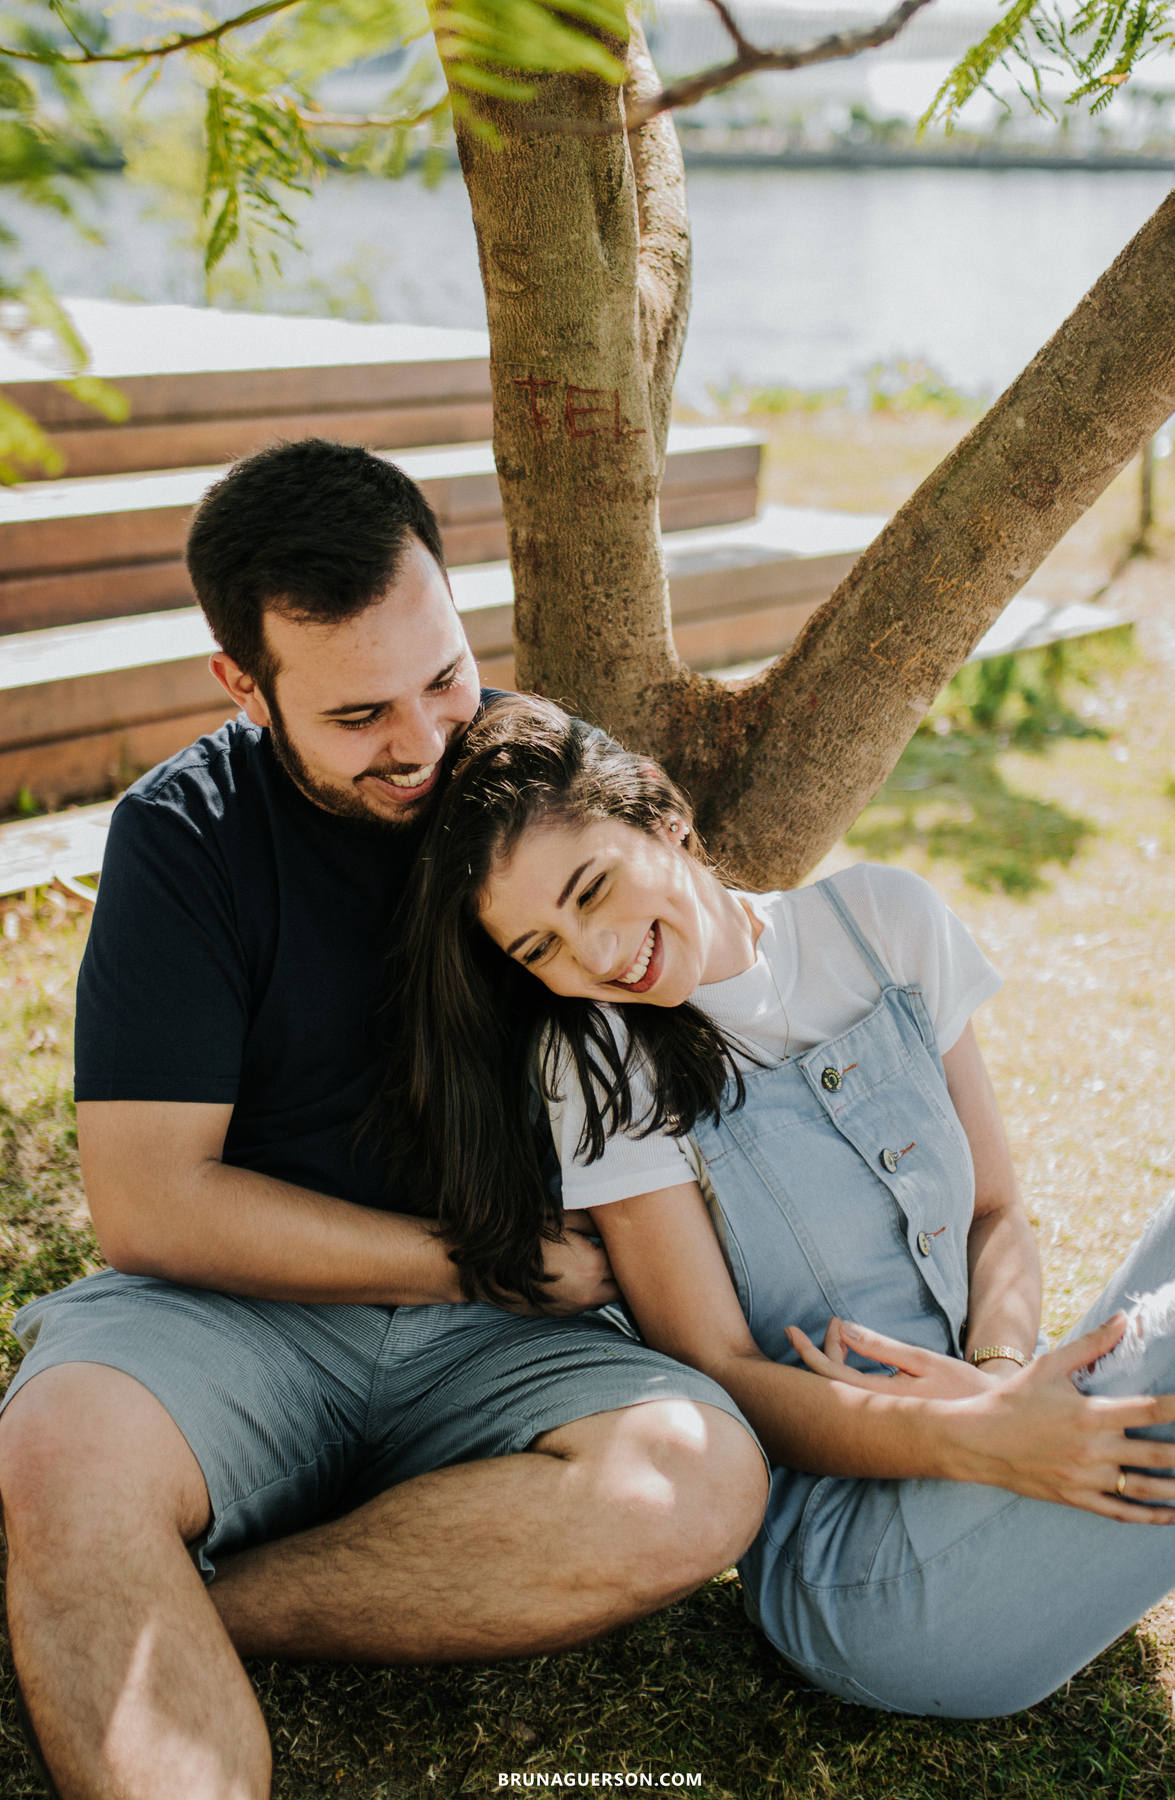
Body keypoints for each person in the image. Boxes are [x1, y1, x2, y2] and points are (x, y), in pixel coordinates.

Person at [0, 443, 768, 1800]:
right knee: (60, 1453)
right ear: (242, 683)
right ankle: (116, 1588)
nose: (421, 742)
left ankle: (196, 1607)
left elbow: (705, 945)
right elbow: (151, 1205)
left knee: (696, 1486)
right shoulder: (184, 838)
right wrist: (479, 1256)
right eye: (358, 716)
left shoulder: (534, 787)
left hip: (508, 1346)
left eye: (443, 676)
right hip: (239, 1310)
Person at [380, 692, 1175, 1718]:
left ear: (659, 816)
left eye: (592, 892)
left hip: (1001, 1434)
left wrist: (991, 1380)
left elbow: (997, 1212)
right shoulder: (597, 1061)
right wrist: (969, 1432)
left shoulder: (882, 922)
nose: (593, 958)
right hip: (868, 1568)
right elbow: (721, 1372)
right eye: (540, 950)